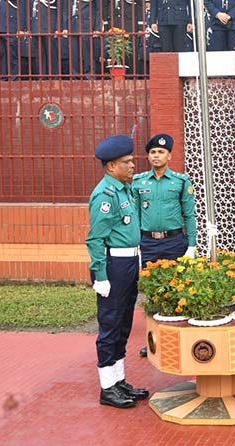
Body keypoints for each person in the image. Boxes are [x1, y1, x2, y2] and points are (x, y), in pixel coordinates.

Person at [85, 135, 149, 409]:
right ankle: (107, 387)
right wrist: (100, 276)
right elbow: (95, 239)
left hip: (129, 263)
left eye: (131, 160)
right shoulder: (105, 195)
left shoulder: (124, 189)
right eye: (126, 162)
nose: (133, 165)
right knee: (110, 325)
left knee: (124, 323)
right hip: (113, 266)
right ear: (111, 166)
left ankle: (119, 380)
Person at [132, 133, 196, 357]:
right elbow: (135, 215)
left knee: (179, 290)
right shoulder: (139, 182)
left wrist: (192, 246)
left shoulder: (180, 181)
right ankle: (154, 341)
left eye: (160, 152)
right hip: (148, 242)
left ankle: (179, 340)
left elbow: (190, 216)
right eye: (152, 152)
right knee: (152, 293)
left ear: (169, 155)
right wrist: (136, 245)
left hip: (174, 242)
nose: (156, 156)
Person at [0, 0, 27, 79]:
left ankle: (14, 78)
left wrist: (21, 27)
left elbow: (22, 7)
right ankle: (2, 78)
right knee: (0, 54)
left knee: (13, 54)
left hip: (11, 24)